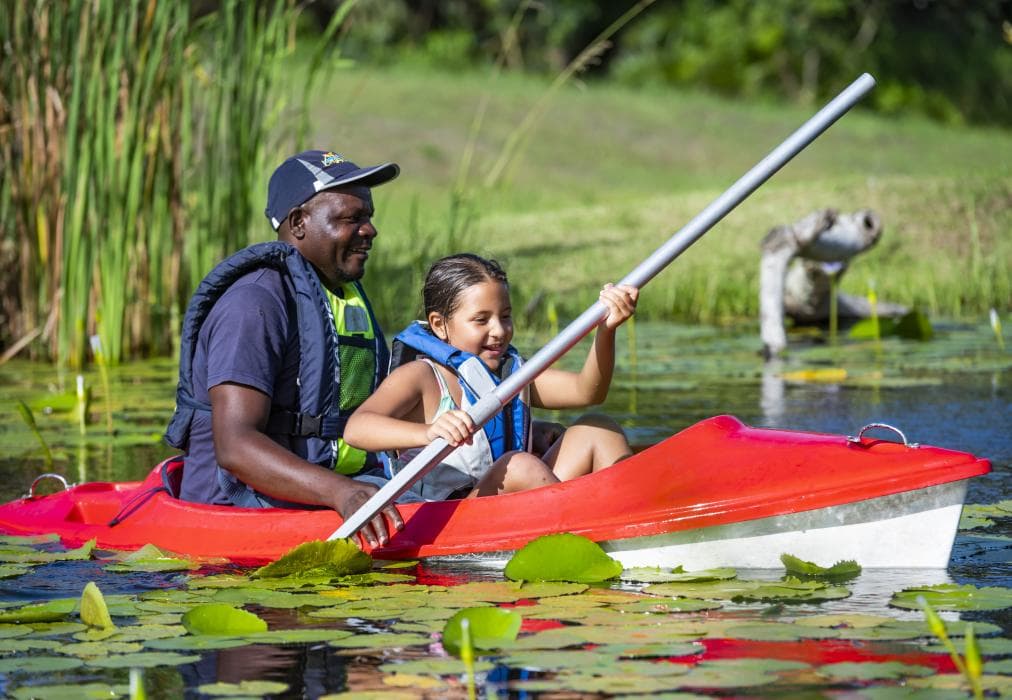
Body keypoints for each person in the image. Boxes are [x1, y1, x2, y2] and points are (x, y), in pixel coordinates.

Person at [163, 149, 405, 547]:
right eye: (352, 218)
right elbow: (236, 446)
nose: (370, 230)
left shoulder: (336, 296)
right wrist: (342, 493)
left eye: (370, 217)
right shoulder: (253, 304)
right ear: (299, 223)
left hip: (317, 494)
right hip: (237, 511)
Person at [343, 253, 638, 501]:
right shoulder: (421, 376)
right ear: (439, 325)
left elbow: (587, 392)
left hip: (512, 500)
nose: (499, 330)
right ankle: (585, 528)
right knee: (520, 466)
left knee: (597, 428)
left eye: (505, 316)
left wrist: (606, 330)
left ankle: (632, 512)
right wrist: (429, 432)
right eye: (481, 320)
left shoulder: (514, 373)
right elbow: (356, 429)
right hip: (446, 519)